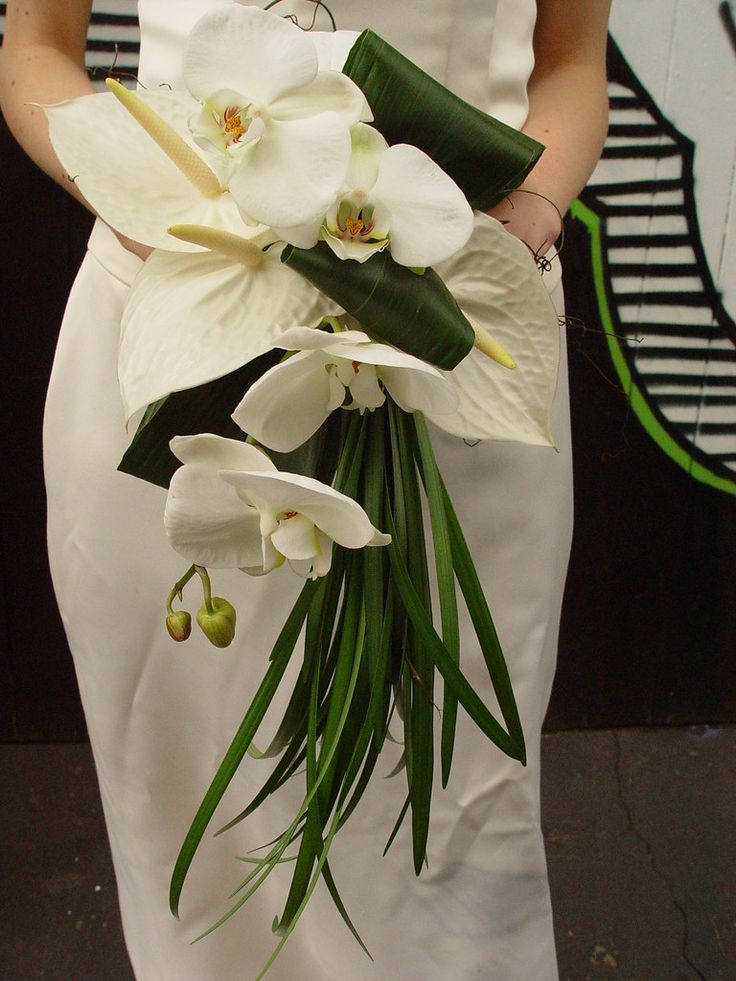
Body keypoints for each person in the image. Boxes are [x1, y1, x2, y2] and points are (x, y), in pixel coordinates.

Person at [0, 2, 611, 978]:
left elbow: (573, 61)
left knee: (439, 800)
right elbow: (33, 51)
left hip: (449, 315)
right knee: (188, 788)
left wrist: (523, 216)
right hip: (192, 293)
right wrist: (137, 193)